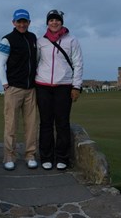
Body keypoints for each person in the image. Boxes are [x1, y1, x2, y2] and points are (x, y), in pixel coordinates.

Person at [36, 9, 84, 170]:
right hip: (42, 86)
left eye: (57, 20)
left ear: (61, 22)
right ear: (47, 22)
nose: (54, 22)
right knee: (45, 123)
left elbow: (78, 64)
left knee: (62, 122)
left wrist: (76, 86)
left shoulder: (72, 40)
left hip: (64, 86)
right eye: (51, 20)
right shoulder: (40, 41)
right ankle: (46, 157)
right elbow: (36, 62)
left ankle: (62, 157)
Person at [0, 9, 38, 170]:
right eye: (19, 21)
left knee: (31, 125)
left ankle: (30, 155)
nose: (22, 24)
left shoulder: (33, 38)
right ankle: (9, 156)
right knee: (11, 125)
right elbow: (1, 64)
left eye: (25, 21)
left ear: (29, 22)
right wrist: (4, 83)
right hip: (13, 88)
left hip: (31, 89)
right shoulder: (7, 40)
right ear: (13, 22)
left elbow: (36, 60)